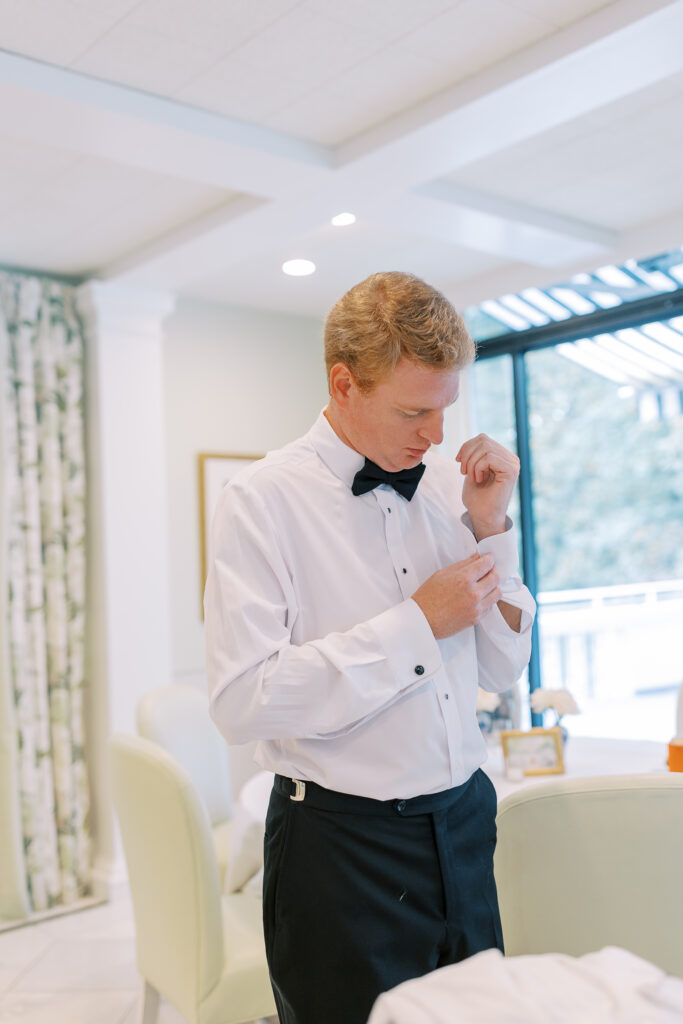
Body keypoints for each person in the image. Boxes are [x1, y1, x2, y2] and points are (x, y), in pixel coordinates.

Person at [205, 271, 536, 1024]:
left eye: (445, 408)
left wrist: (491, 530)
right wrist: (417, 624)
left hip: (464, 824)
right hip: (339, 850)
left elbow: (501, 666)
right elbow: (241, 700)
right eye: (414, 411)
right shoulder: (261, 501)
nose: (436, 436)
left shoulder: (450, 491)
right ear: (344, 384)